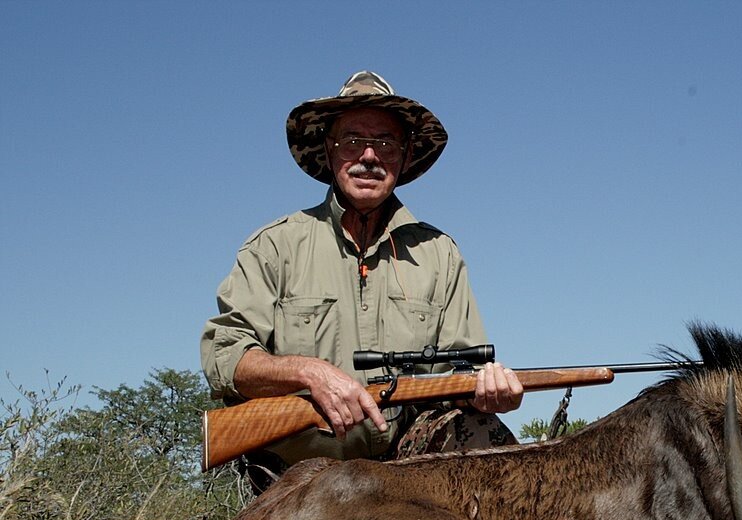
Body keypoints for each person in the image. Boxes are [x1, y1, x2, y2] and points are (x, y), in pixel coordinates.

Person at [201, 71, 522, 486]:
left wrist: (492, 391)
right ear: (330, 151)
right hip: (297, 472)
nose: (369, 156)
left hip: (407, 463)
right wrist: (310, 372)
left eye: (385, 143)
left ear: (405, 157)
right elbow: (226, 357)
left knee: (488, 439)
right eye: (352, 141)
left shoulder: (439, 253)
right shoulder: (275, 245)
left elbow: (461, 371)